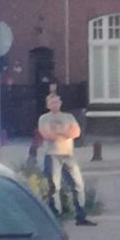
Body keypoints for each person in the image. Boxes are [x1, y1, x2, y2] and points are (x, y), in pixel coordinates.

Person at [35, 92, 96, 227]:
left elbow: (76, 132)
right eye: (52, 102)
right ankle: (55, 215)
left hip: (68, 155)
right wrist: (66, 133)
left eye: (57, 101)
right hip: (52, 155)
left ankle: (81, 216)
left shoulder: (69, 117)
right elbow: (47, 134)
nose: (55, 104)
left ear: (61, 103)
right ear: (47, 105)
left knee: (78, 185)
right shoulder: (44, 118)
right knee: (54, 187)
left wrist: (58, 132)